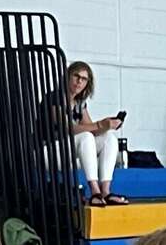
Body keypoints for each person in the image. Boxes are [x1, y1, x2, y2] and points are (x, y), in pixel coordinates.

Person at [45, 60, 126, 206]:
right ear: (68, 77)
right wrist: (100, 124)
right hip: (47, 150)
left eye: (83, 79)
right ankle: (95, 191)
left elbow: (91, 129)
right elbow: (68, 128)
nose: (79, 82)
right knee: (86, 136)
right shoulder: (54, 98)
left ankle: (105, 191)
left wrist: (107, 126)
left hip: (67, 152)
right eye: (76, 76)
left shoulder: (79, 103)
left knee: (109, 138)